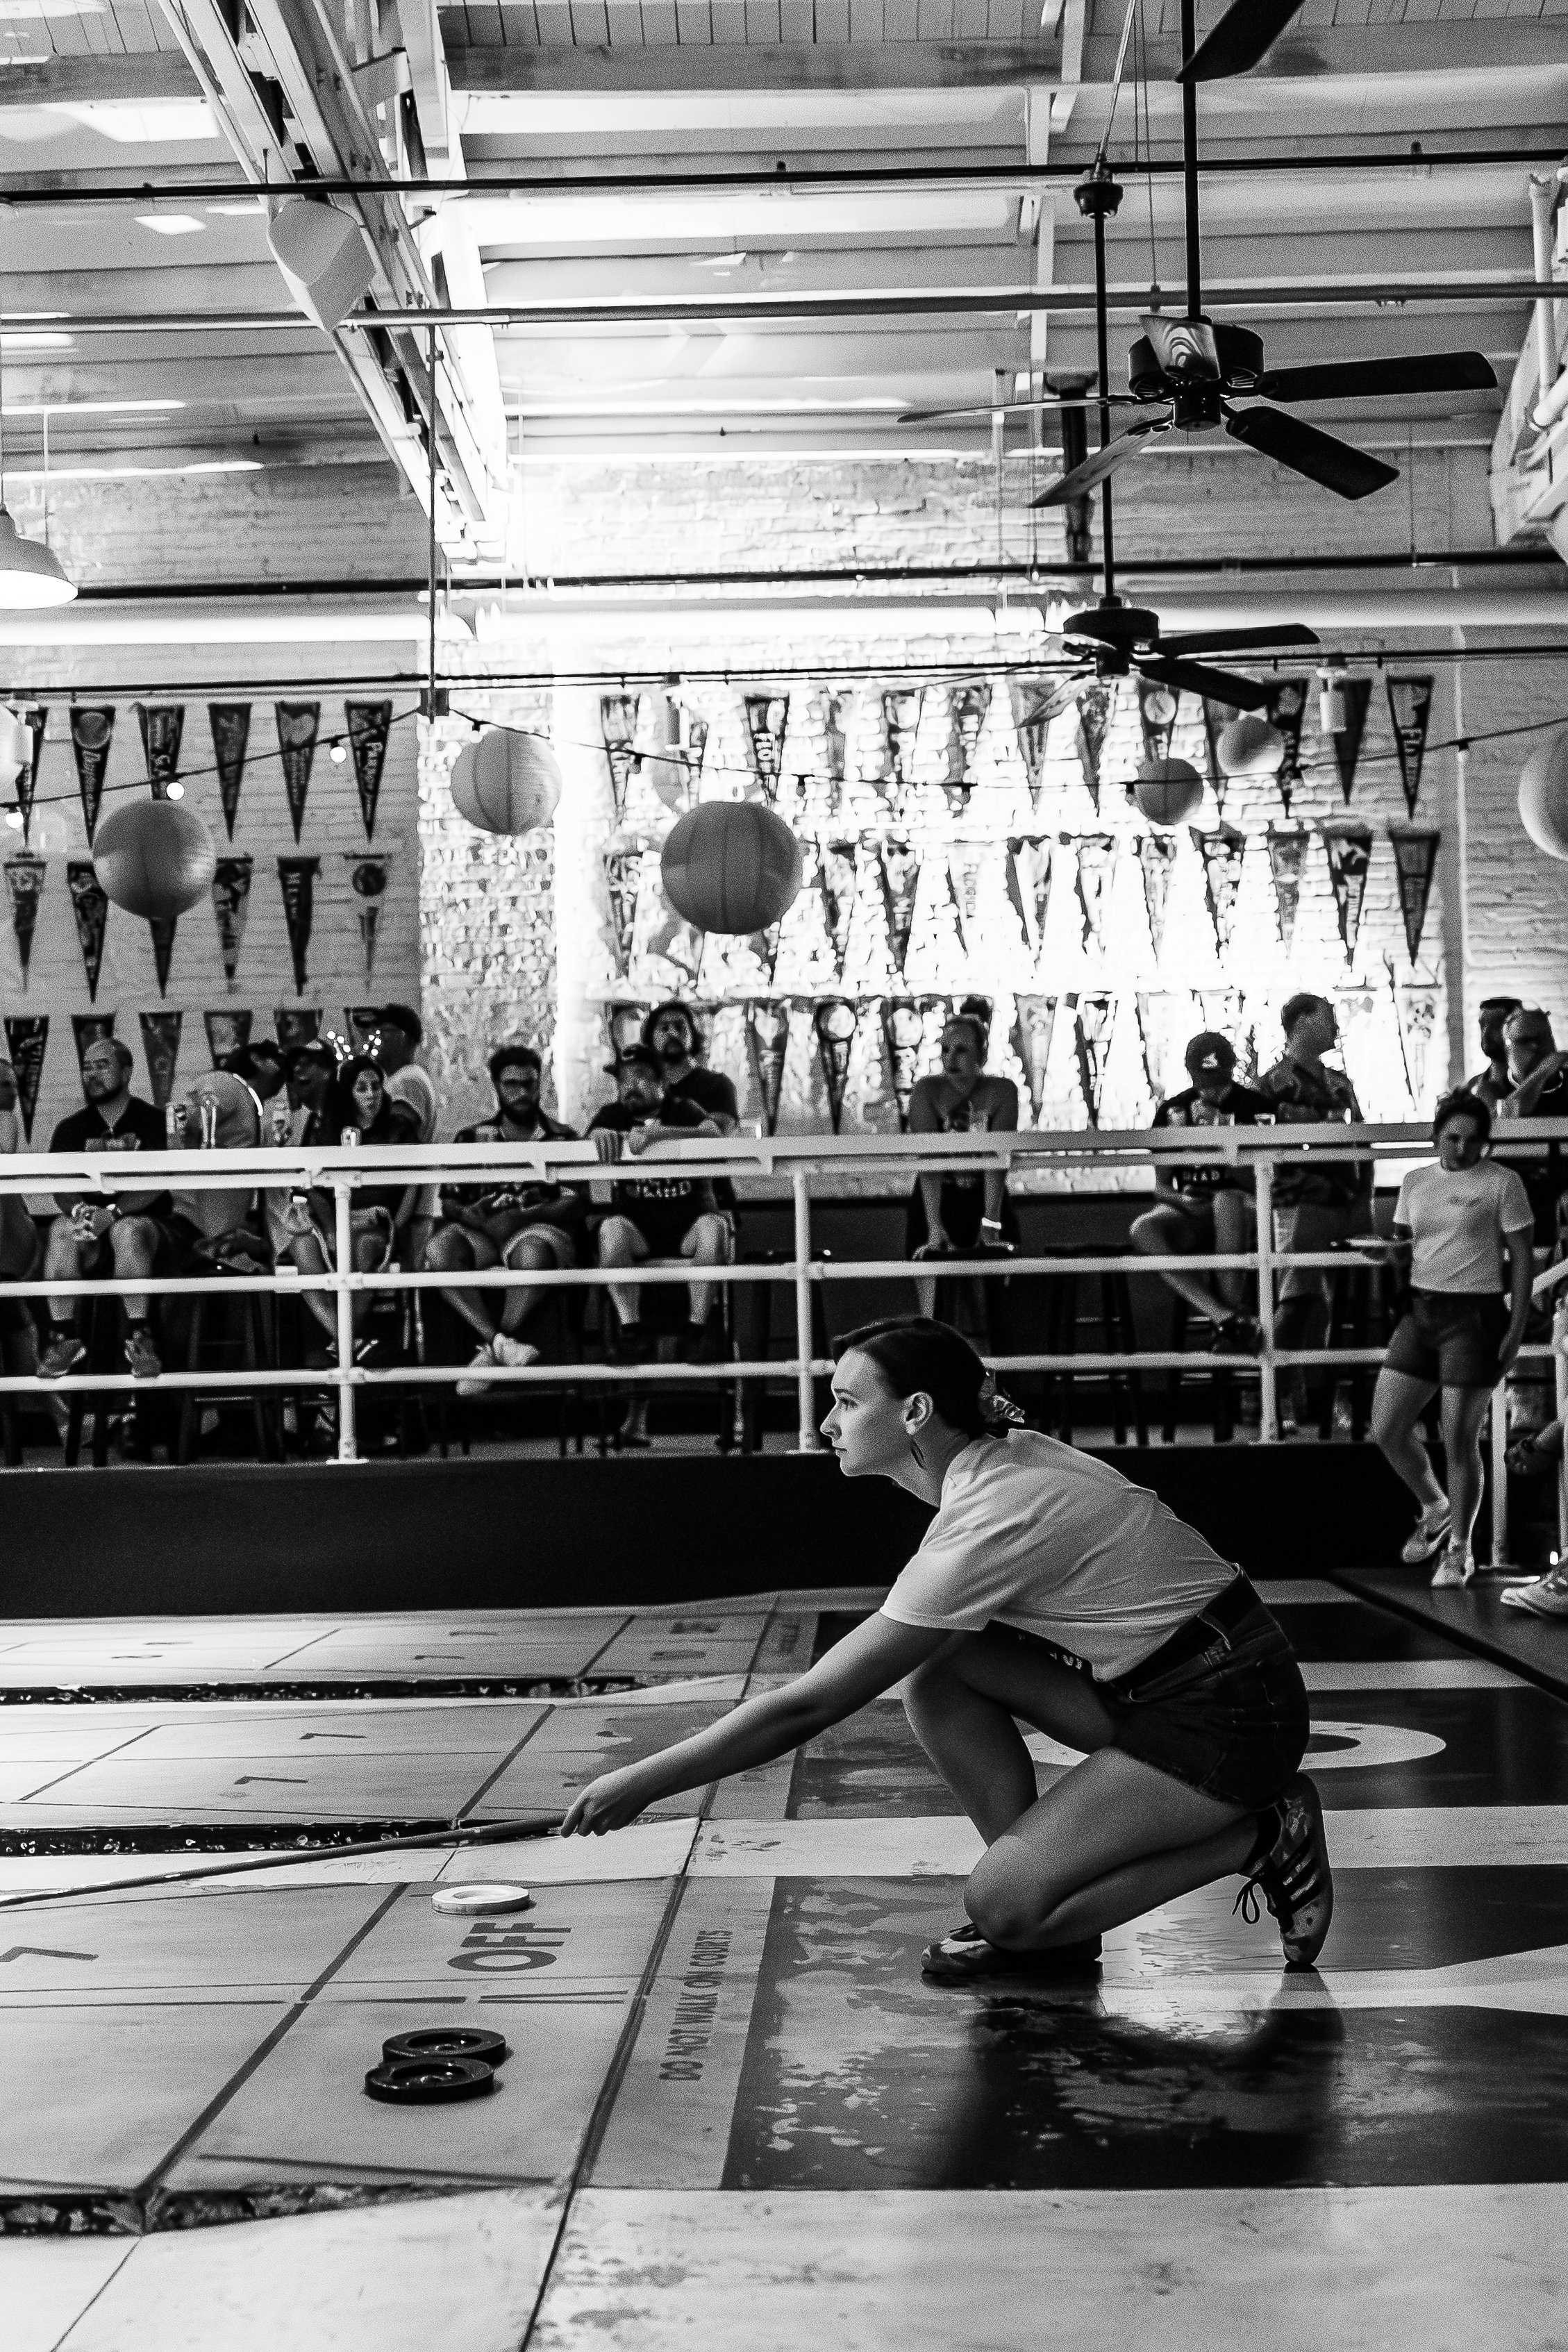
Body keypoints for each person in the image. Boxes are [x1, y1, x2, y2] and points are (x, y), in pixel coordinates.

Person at [561, 1316, 1330, 1978]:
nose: (827, 1422)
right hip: (1176, 1687)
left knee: (998, 1906)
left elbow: (810, 1706)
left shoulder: (991, 1515)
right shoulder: (996, 1459)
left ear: (915, 1412)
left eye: (845, 1402)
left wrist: (641, 1783)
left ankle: (1257, 1835)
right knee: (941, 1671)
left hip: (1226, 1719)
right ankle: (1051, 1905)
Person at [1369, 1091, 1534, 1589]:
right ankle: (1435, 1505)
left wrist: (1516, 1326)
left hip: (1475, 1314)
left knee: (1459, 1438)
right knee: (1387, 1427)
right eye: (1452, 1137)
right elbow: (1404, 1244)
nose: (1461, 1149)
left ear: (1486, 1142)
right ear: (1435, 1135)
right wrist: (1390, 1256)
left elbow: (1523, 1259)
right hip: (1421, 1310)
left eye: (1472, 1141)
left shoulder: (1503, 1183)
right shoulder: (1416, 1181)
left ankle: (1461, 1549)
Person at [425, 1044, 584, 1397]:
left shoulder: (563, 1137)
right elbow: (449, 1201)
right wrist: (474, 1218)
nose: (522, 1093)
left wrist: (523, 1216)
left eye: (529, 1084)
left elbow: (576, 1203)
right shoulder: (470, 1138)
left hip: (537, 1230)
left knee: (533, 1252)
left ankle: (490, 1352)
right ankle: (500, 1343)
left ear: (540, 1083)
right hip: (484, 1234)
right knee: (439, 1250)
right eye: (511, 1085)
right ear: (496, 1086)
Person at [588, 1044, 727, 1444]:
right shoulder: (613, 1116)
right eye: (624, 1079)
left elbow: (714, 1133)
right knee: (609, 1230)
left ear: (662, 1083)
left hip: (688, 1227)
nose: (630, 1086)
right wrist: (601, 1137)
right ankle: (631, 1330)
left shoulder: (682, 1108)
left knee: (714, 1229)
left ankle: (697, 1329)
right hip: (640, 1231)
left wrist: (662, 1134)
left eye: (642, 1077)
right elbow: (591, 1135)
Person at [1258, 993, 1370, 1433]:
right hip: (1298, 1203)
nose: (1335, 1026)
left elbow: (1363, 1138)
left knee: (1327, 1305)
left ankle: (1323, 1400)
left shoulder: (1341, 1082)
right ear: (1301, 1023)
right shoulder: (1272, 1085)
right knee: (1296, 1299)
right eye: (1327, 1018)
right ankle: (1280, 1396)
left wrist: (1363, 1193)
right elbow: (1261, 1151)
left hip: (1343, 1200)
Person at [37, 1037, 175, 1381]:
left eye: (102, 1066)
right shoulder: (70, 1128)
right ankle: (64, 1336)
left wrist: (111, 1213)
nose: (92, 1074)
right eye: (86, 1067)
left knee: (126, 1230)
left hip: (148, 1231)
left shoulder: (154, 1121)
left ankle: (140, 1337)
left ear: (127, 1071)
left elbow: (157, 1182)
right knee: (59, 1230)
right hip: (92, 1233)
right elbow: (60, 1184)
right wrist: (78, 1212)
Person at [1131, 1032, 1273, 1351]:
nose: (1209, 1081)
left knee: (1226, 1199)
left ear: (1233, 1067)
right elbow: (1162, 1187)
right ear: (1188, 1069)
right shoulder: (1172, 1111)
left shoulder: (1255, 1107)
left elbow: (1263, 1183)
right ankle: (1226, 1318)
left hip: (1248, 1207)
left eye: (1216, 1072)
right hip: (1193, 1206)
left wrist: (1220, 1142)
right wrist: (1181, 1200)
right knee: (1144, 1228)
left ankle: (1232, 1329)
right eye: (1202, 1070)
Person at [280, 1056, 419, 1358]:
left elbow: (413, 1184)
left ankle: (341, 1343)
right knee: (302, 1247)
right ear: (348, 1093)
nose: (371, 1094)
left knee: (365, 1246)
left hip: (379, 1224)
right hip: (334, 1221)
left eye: (375, 1086)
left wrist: (397, 1224)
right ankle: (347, 1340)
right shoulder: (325, 1129)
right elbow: (309, 1184)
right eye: (361, 1088)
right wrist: (332, 1228)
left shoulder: (399, 1129)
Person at [907, 1010, 1019, 1319]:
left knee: (991, 1306)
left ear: (981, 1056)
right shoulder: (926, 1091)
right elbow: (928, 1161)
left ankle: (992, 1365)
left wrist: (991, 1223)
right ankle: (937, 1360)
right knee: (933, 1307)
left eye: (961, 1050)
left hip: (987, 1196)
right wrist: (934, 1226)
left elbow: (998, 1163)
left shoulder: (1003, 1091)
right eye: (945, 1050)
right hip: (937, 1196)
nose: (951, 1058)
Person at [1494, 1008, 1568, 1244]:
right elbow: (1511, 1115)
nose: (1536, 1047)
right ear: (1508, 1048)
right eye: (1526, 1041)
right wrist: (1542, 1072)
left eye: (1543, 1038)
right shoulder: (1491, 1087)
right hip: (1514, 1202)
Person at [0, 1057, 40, 1389]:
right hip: (10, 1246)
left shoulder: (7, 1120)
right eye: (3, 1085)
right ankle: (61, 1417)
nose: (13, 1092)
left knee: (17, 1318)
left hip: (10, 1247)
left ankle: (61, 1417)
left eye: (14, 1084)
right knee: (18, 1320)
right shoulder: (4, 1120)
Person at [1467, 997, 1523, 1113]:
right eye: (1483, 1025)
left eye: (1497, 1025)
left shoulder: (1535, 1082)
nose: (1486, 1032)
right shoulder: (1472, 1086)